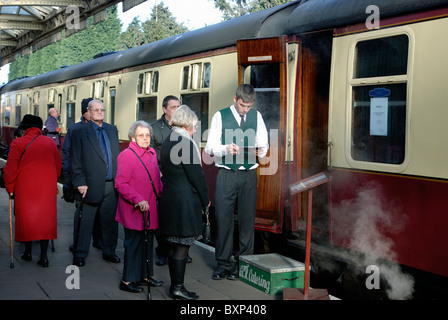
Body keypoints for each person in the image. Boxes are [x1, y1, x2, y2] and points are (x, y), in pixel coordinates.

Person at [205, 84, 269, 280]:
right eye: (243, 106)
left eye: (249, 106)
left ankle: (243, 265)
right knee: (223, 219)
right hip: (226, 175)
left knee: (247, 222)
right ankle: (223, 264)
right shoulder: (220, 116)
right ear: (235, 99)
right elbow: (209, 148)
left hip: (249, 175)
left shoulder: (256, 116)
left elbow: (264, 145)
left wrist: (261, 151)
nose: (246, 110)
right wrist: (225, 149)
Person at [159, 105, 209, 300]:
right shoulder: (184, 143)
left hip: (171, 199)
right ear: (188, 124)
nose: (195, 129)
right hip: (183, 202)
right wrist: (206, 200)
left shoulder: (168, 139)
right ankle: (177, 288)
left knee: (174, 245)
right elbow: (196, 176)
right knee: (181, 247)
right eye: (194, 126)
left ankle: (176, 286)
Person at [3, 114, 61, 267]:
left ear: (25, 128)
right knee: (45, 220)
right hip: (46, 189)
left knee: (27, 220)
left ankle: (28, 253)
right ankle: (44, 257)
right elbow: (58, 166)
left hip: (25, 190)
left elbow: (10, 170)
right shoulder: (50, 143)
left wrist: (10, 188)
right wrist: (50, 181)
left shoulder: (18, 143)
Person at [70, 99, 121, 267]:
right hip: (88, 185)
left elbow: (116, 156)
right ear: (89, 112)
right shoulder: (80, 131)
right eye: (96, 110)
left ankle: (109, 252)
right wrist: (80, 182)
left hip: (110, 185)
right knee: (85, 223)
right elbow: (75, 160)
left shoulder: (112, 130)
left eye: (102, 110)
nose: (100, 112)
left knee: (109, 223)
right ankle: (80, 254)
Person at [115, 120, 164, 293]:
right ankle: (127, 281)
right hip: (134, 209)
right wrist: (137, 199)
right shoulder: (126, 155)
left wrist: (162, 193)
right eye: (141, 135)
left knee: (147, 244)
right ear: (133, 138)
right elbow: (120, 183)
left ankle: (145, 276)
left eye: (148, 135)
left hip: (150, 208)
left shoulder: (151, 153)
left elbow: (156, 180)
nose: (145, 138)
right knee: (134, 245)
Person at [61, 98, 102, 251]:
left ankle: (99, 240)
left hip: (98, 179)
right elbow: (68, 153)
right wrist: (67, 179)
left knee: (99, 215)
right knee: (82, 215)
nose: (93, 114)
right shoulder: (75, 130)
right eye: (89, 111)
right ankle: (78, 243)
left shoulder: (102, 129)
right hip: (81, 179)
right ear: (85, 113)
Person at [150, 95, 183, 266]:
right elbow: (150, 154)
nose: (176, 110)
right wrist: (159, 171)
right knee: (162, 216)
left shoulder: (183, 128)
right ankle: (162, 252)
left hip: (179, 178)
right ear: (164, 109)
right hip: (162, 177)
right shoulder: (154, 128)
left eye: (178, 106)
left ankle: (178, 251)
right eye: (173, 107)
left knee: (177, 215)